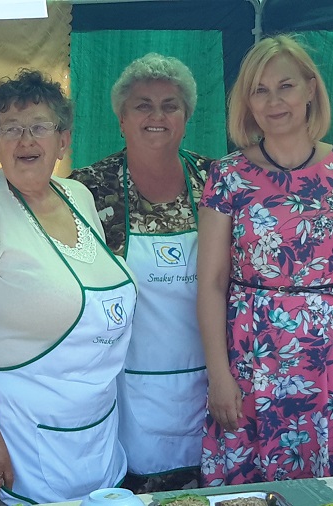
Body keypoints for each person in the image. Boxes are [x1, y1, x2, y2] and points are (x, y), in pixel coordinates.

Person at [0, 68, 136, 505]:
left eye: (39, 127)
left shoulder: (78, 197)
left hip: (94, 431)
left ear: (63, 139)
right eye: (11, 128)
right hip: (18, 435)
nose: (26, 140)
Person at [197, 34, 333, 486]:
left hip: (331, 355)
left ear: (310, 89)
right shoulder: (227, 176)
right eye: (259, 90)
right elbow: (211, 282)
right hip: (251, 356)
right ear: (247, 102)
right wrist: (218, 373)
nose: (273, 101)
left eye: (285, 86)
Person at [70, 53, 214, 493]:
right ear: (121, 119)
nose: (157, 116)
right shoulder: (88, 189)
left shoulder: (216, 181)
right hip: (123, 383)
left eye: (170, 106)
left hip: (212, 376)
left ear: (186, 118)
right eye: (142, 106)